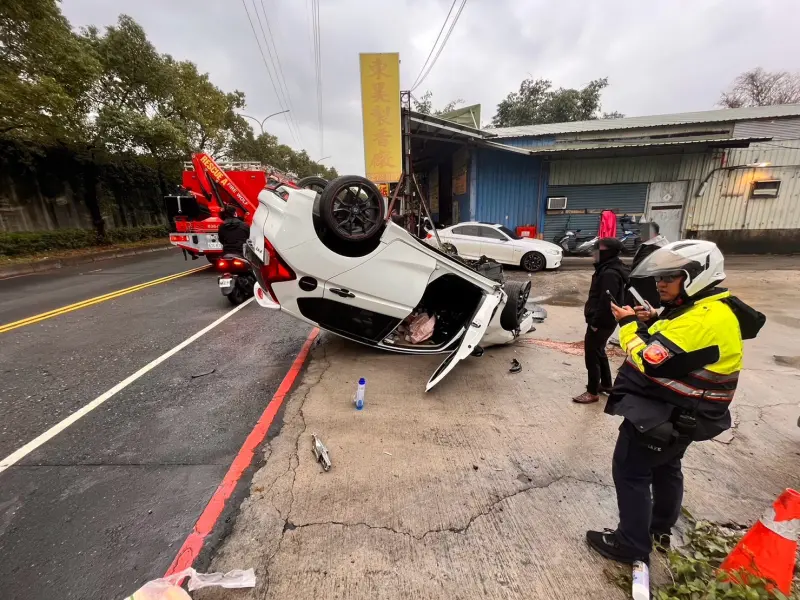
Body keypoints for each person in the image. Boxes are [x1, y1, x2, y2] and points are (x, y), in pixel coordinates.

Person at [586, 240, 765, 564]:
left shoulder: (700, 320)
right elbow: (683, 333)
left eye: (670, 277)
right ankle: (659, 529)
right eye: (659, 277)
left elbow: (650, 359)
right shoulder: (713, 307)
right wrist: (653, 315)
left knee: (630, 471)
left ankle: (631, 544)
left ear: (696, 275)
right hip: (690, 415)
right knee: (667, 466)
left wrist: (628, 325)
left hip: (664, 412)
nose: (660, 284)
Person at [573, 238, 630, 404]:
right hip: (606, 320)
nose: (593, 253)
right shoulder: (610, 268)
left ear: (607, 253)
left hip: (602, 321)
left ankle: (592, 392)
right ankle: (606, 384)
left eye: (597, 250)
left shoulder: (609, 273)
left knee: (592, 356)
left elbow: (606, 302)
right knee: (599, 351)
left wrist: (595, 323)